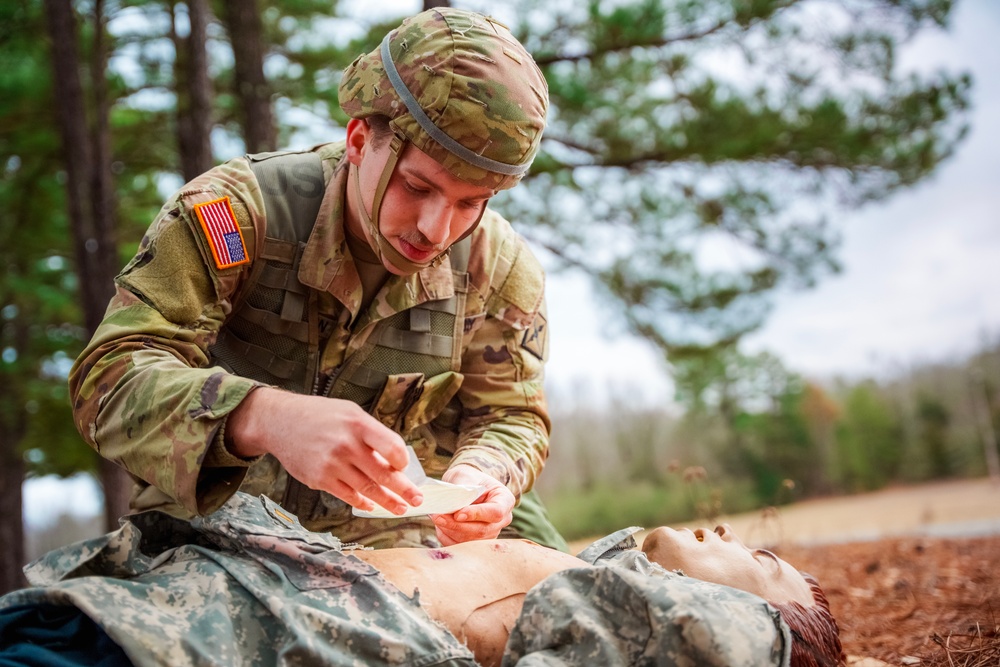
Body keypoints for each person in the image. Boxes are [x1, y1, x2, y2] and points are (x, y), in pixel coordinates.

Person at [68, 7, 567, 551]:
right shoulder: (237, 215)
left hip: (398, 543)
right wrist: (261, 416)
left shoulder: (497, 265)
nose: (436, 229)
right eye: (417, 188)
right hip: (221, 535)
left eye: (471, 202)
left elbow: (510, 414)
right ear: (358, 141)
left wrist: (485, 474)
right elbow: (109, 382)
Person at [0, 493, 844, 666]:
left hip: (216, 642)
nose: (734, 530)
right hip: (162, 599)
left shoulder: (732, 637)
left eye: (765, 559)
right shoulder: (604, 573)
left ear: (761, 616)